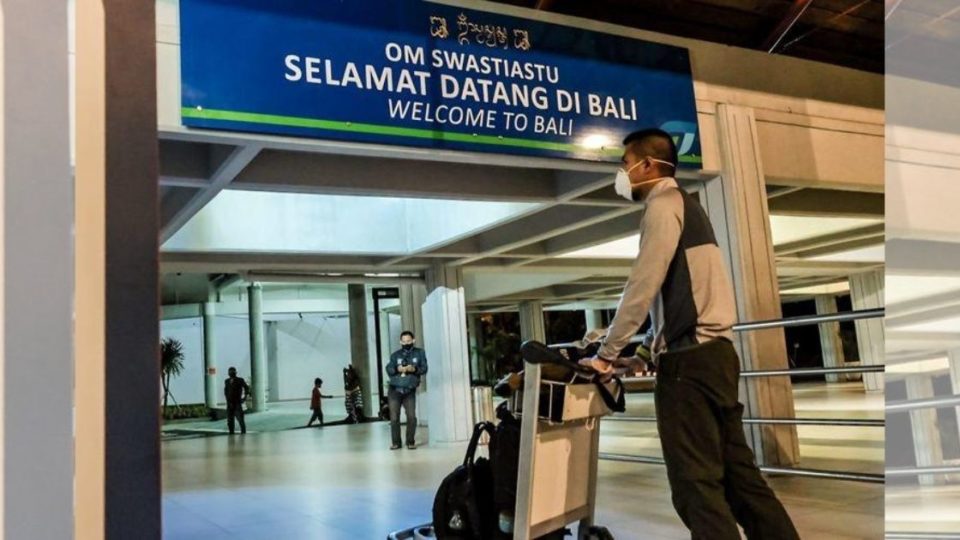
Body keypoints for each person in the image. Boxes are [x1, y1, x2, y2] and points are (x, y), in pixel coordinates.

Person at [580, 129, 799, 540]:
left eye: (625, 165)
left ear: (647, 165)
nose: (622, 175)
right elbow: (685, 294)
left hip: (690, 366)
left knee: (694, 485)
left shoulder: (663, 204)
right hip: (716, 357)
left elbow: (643, 283)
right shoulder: (690, 207)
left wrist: (607, 353)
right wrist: (645, 353)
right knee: (740, 480)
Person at [386, 331, 428, 450]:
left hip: (409, 390)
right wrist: (397, 368)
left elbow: (424, 368)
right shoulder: (395, 355)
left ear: (413, 340)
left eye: (408, 341)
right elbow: (389, 369)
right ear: (400, 342)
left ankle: (410, 441)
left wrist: (413, 368)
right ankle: (396, 442)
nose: (406, 343)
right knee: (394, 417)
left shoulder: (419, 353)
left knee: (411, 417)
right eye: (403, 342)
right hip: (395, 389)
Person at [224, 367, 250, 435]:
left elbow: (246, 388)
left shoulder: (240, 380)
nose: (231, 373)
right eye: (230, 372)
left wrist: (244, 397)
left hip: (237, 403)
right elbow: (226, 391)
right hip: (229, 404)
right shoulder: (226, 381)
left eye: (232, 372)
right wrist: (227, 399)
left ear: (235, 373)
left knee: (240, 419)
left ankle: (243, 433)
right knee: (230, 420)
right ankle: (231, 432)